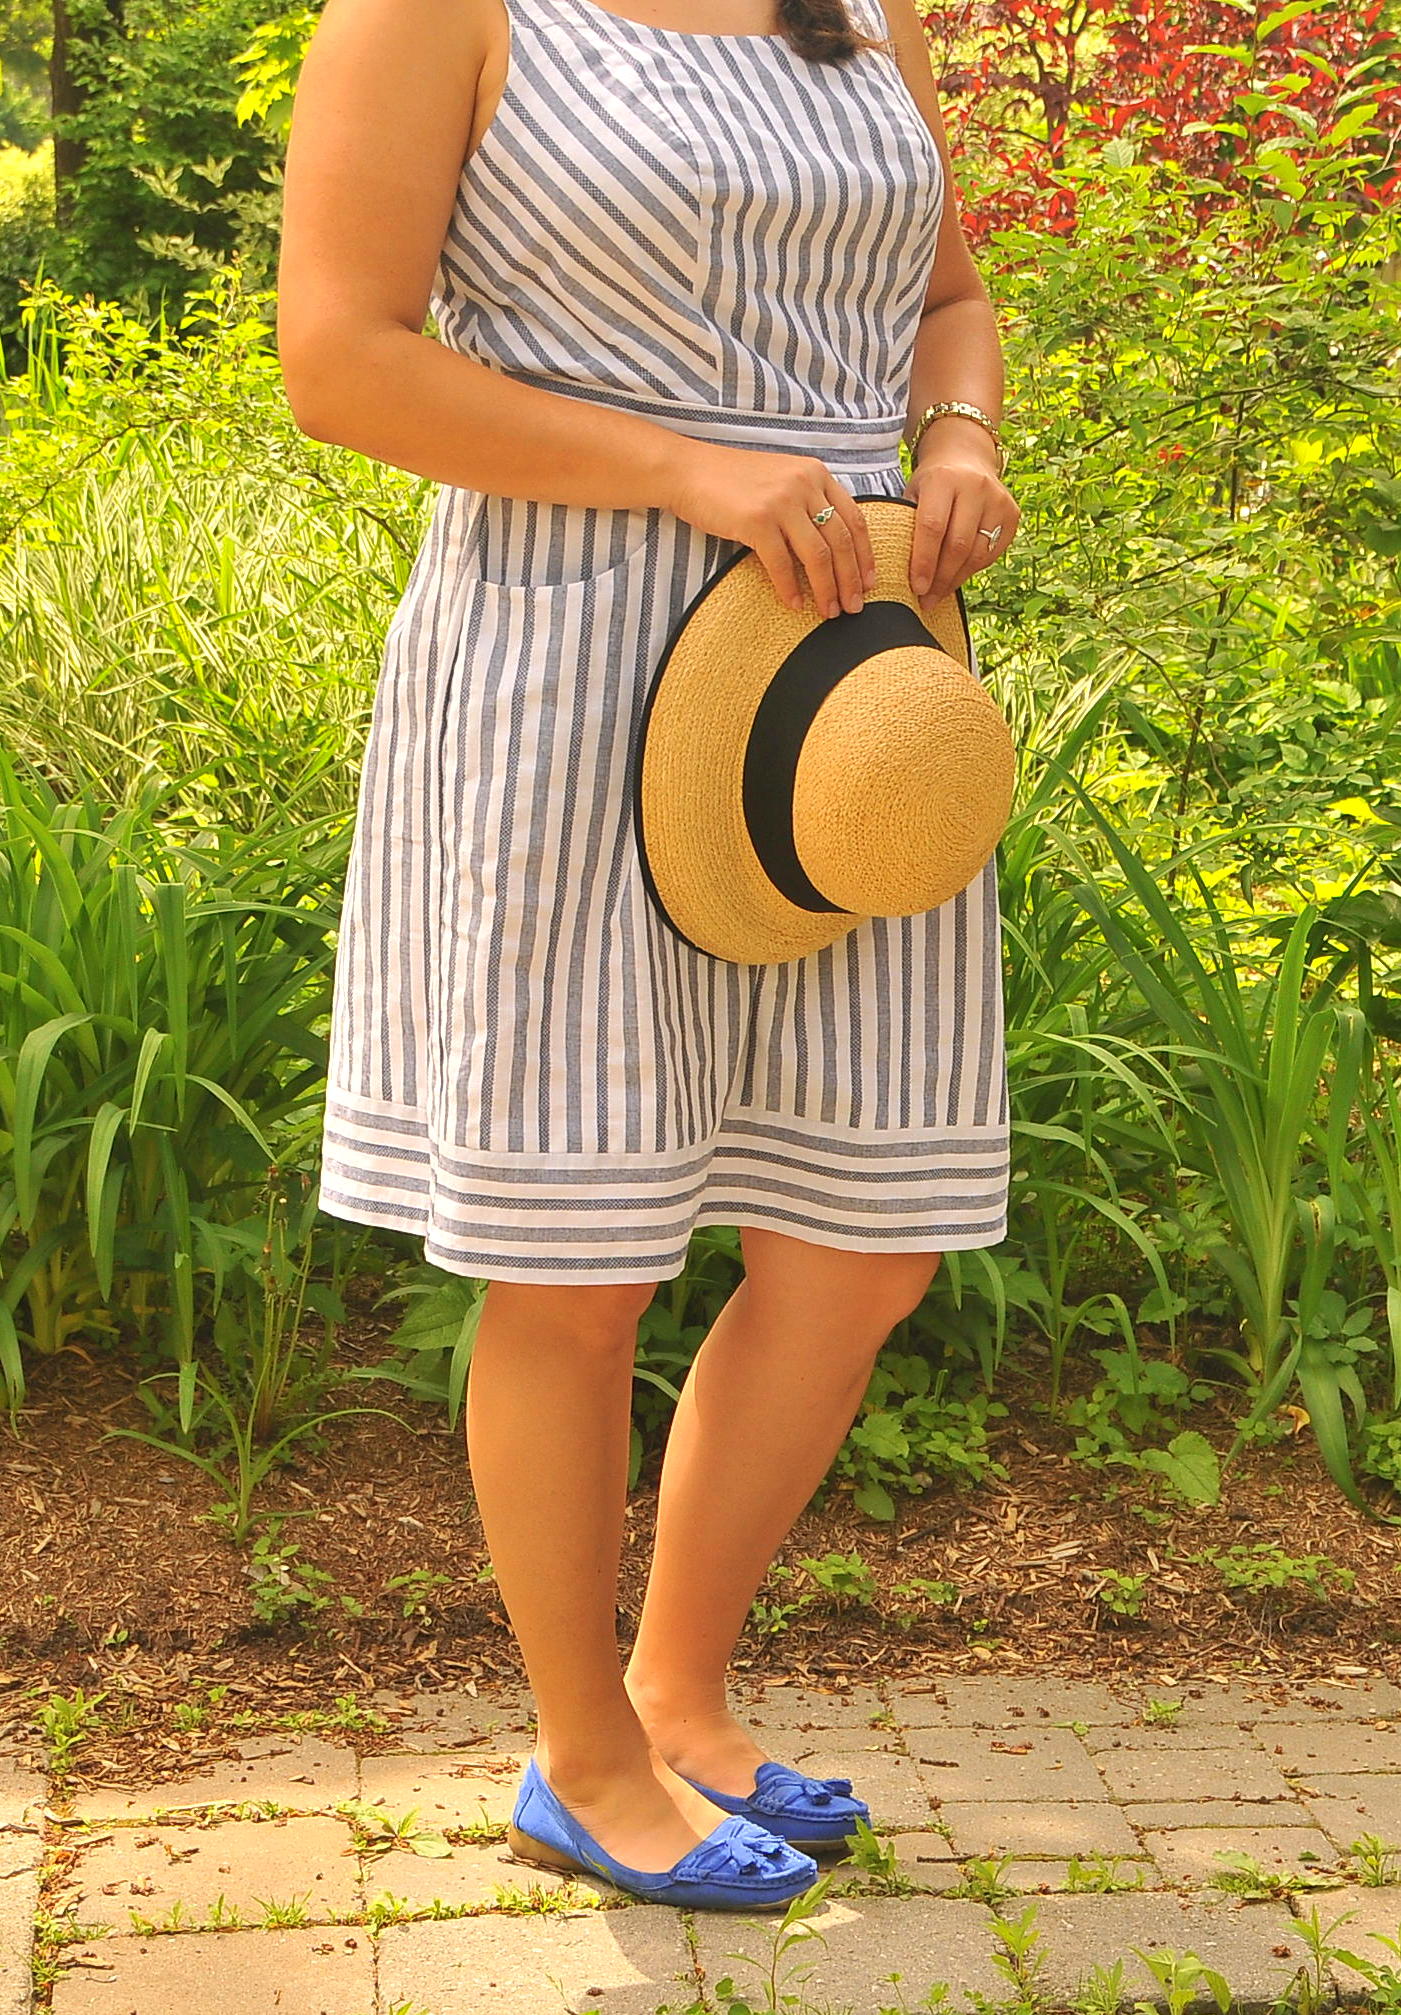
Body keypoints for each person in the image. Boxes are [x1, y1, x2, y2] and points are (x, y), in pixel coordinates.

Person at [277, 0, 1019, 1907]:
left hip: (854, 685)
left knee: (867, 1236)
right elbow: (340, 360)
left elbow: (945, 299)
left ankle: (679, 1696)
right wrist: (685, 470)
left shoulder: (857, 15)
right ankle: (581, 1760)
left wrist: (955, 438)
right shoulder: (438, 10)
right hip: (573, 655)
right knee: (576, 1254)